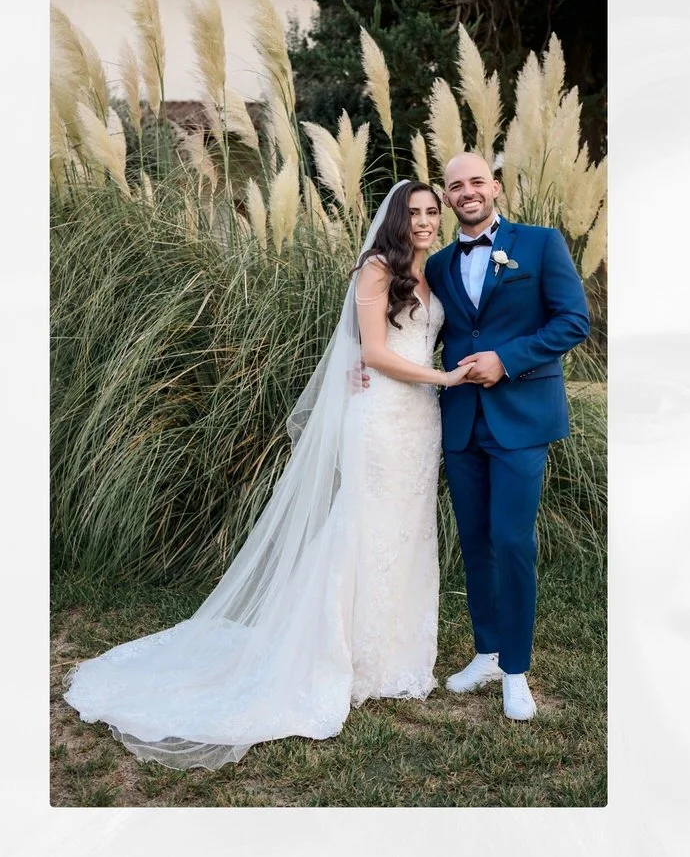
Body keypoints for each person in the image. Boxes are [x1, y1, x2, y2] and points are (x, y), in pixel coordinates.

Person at [64, 182, 470, 769]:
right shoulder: (376, 270)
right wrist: (446, 380)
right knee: (363, 526)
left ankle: (395, 657)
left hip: (420, 423)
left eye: (435, 212)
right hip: (382, 414)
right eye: (417, 213)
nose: (428, 221)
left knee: (407, 531)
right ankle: (339, 653)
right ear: (395, 219)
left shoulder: (432, 271)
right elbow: (377, 353)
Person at [428, 151, 595, 721]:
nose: (467, 191)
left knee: (512, 540)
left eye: (476, 181)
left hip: (521, 417)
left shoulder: (541, 243)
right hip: (461, 419)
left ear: (494, 187)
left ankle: (517, 670)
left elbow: (573, 320)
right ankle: (487, 652)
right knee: (474, 540)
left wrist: (508, 358)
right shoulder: (438, 264)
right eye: (455, 185)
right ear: (447, 196)